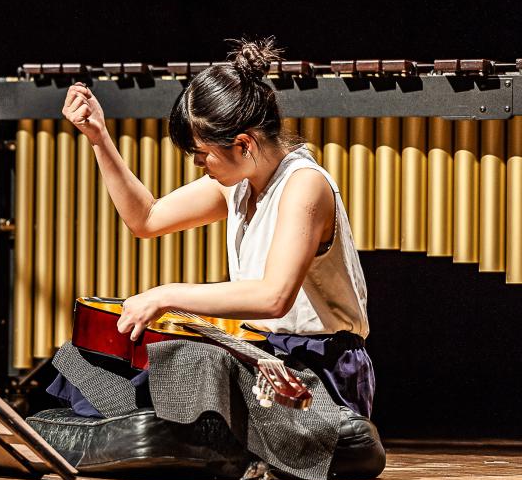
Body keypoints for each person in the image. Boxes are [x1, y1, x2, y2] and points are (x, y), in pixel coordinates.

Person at [59, 37, 374, 418]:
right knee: (113, 370)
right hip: (263, 354)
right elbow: (146, 219)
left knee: (174, 385)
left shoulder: (304, 185)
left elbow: (273, 298)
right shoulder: (237, 183)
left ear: (243, 144)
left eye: (202, 154)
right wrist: (99, 138)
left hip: (318, 368)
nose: (199, 165)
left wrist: (166, 294)